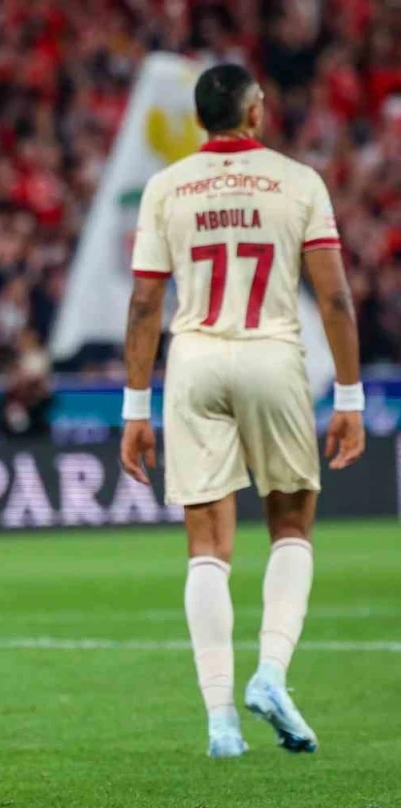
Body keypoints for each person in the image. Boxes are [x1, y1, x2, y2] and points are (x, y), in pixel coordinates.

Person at [120, 64, 365, 759]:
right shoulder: (297, 181)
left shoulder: (167, 187)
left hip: (195, 359)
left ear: (201, 119)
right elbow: (335, 298)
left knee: (207, 545)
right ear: (254, 112)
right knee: (291, 525)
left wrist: (135, 408)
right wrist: (350, 396)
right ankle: (273, 673)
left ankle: (221, 721)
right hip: (271, 354)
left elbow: (144, 303)